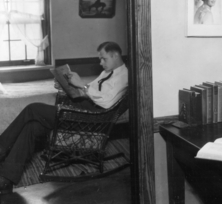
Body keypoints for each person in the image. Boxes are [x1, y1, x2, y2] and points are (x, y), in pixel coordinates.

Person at [0, 41, 128, 195]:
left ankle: (1, 148)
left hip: (91, 119)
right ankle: (7, 179)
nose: (100, 63)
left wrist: (82, 85)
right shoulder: (108, 72)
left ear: (115, 55)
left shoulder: (124, 76)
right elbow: (91, 91)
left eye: (103, 59)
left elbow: (106, 102)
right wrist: (68, 87)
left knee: (32, 108)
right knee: (32, 127)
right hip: (84, 111)